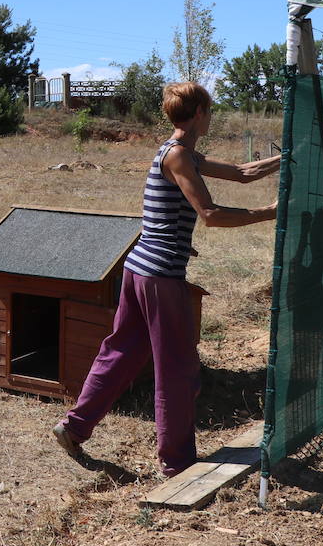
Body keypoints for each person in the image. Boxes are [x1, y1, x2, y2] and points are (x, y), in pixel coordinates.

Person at [52, 81, 279, 477]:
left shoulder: (177, 151)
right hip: (160, 277)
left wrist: (287, 159)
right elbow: (208, 213)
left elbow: (243, 173)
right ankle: (177, 464)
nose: (211, 116)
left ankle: (74, 427)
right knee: (177, 368)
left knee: (120, 351)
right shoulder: (179, 158)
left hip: (138, 270)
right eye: (209, 110)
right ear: (197, 115)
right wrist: (271, 212)